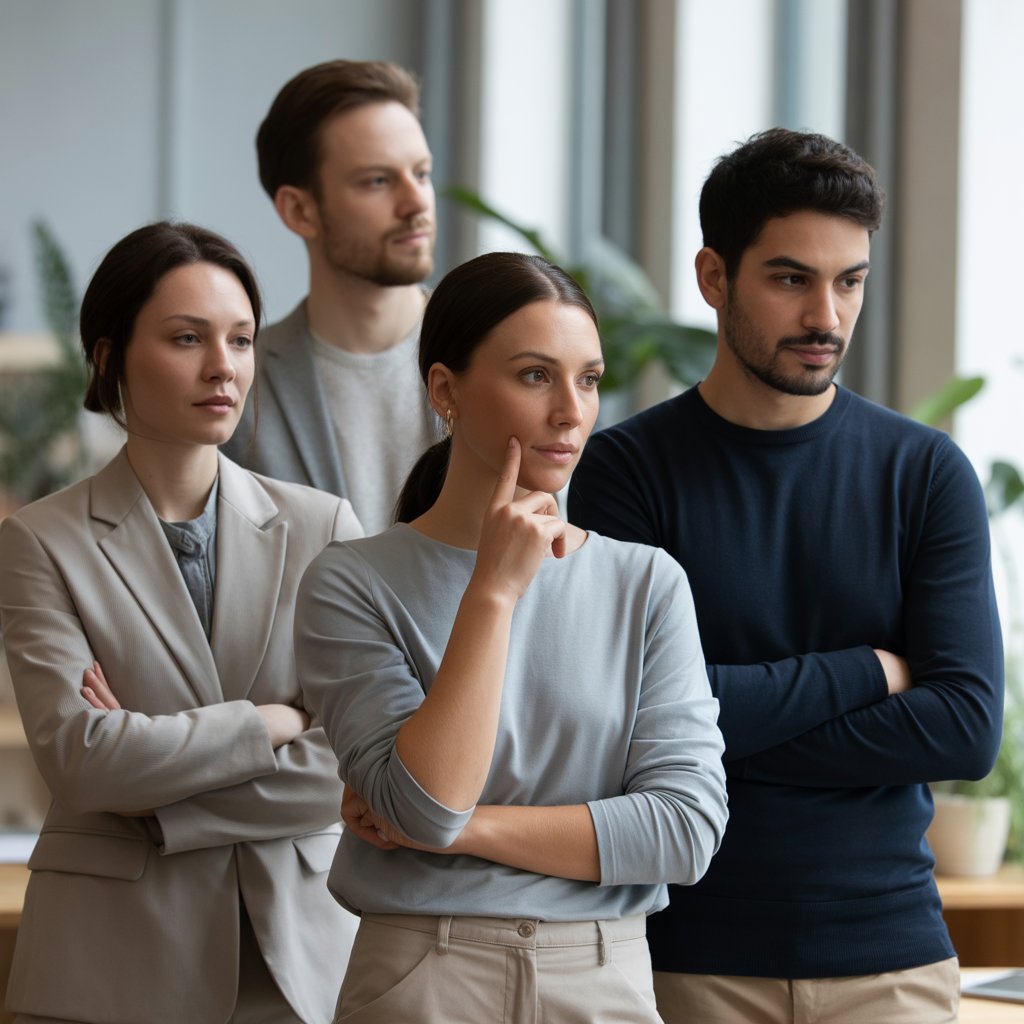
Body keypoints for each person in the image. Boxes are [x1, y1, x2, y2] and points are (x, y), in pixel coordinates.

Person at [569, 128, 1005, 1023]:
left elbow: (963, 728)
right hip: (689, 961)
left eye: (849, 281)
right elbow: (618, 722)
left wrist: (709, 724)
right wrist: (867, 672)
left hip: (893, 962)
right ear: (714, 278)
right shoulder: (624, 473)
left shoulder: (925, 473)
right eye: (791, 279)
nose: (827, 317)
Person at [294, 251, 729, 1023]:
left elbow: (684, 830)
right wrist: (492, 592)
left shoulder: (647, 583)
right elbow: (427, 803)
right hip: (422, 974)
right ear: (445, 390)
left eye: (589, 379)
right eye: (536, 375)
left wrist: (463, 832)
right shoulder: (351, 582)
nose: (571, 410)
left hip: (604, 976)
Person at [0, 221, 364, 1024]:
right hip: (108, 966)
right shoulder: (39, 540)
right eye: (186, 338)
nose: (222, 367)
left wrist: (153, 789)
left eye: (240, 340)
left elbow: (347, 766)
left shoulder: (324, 526)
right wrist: (272, 720)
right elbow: (83, 765)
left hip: (302, 964)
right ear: (108, 356)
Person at [221, 59, 436, 535]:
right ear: (299, 210)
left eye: (421, 174)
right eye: (378, 181)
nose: (416, 203)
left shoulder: (497, 354)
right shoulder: (236, 387)